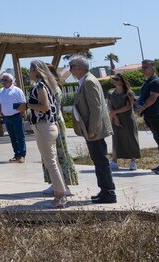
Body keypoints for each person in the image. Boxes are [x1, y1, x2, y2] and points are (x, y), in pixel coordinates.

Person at [69, 55, 116, 203]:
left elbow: (96, 109)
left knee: (101, 161)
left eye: (71, 67)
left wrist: (92, 129)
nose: (70, 70)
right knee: (98, 160)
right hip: (91, 129)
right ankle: (104, 191)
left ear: (80, 68)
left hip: (94, 130)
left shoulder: (89, 82)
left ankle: (108, 193)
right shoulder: (86, 81)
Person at [27, 61, 68, 209]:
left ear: (36, 71)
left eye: (30, 69)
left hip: (44, 127)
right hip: (49, 126)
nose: (29, 72)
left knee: (50, 162)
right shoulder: (47, 85)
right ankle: (61, 192)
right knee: (53, 161)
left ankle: (60, 195)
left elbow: (44, 106)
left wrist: (27, 105)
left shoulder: (40, 86)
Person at [41, 66, 78, 196]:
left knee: (57, 152)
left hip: (53, 122)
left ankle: (63, 184)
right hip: (54, 121)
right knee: (53, 153)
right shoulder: (52, 87)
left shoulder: (51, 88)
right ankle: (56, 183)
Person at [136, 59, 159, 174]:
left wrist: (141, 108)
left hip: (156, 114)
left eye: (146, 67)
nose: (143, 70)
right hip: (149, 115)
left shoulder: (156, 82)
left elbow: (152, 99)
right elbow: (143, 97)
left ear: (153, 68)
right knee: (157, 138)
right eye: (142, 67)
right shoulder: (147, 82)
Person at [107, 73, 141, 170]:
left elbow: (128, 106)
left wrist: (115, 112)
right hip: (115, 119)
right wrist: (115, 117)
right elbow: (109, 105)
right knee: (116, 139)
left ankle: (133, 161)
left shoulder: (129, 93)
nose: (114, 80)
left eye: (117, 79)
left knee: (131, 139)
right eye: (114, 79)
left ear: (122, 81)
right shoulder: (110, 93)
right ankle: (114, 161)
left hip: (128, 119)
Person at [0, 73, 27, 163]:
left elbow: (23, 104)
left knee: (20, 136)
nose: (3, 82)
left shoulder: (17, 91)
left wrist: (22, 114)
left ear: (11, 81)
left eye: (5, 80)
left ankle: (22, 155)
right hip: (6, 117)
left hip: (16, 116)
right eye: (2, 80)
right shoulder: (1, 91)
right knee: (12, 137)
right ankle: (16, 155)